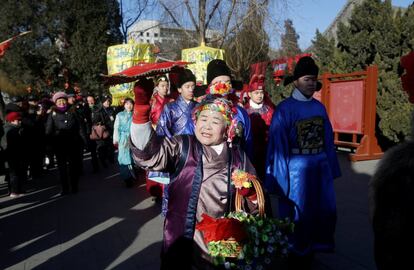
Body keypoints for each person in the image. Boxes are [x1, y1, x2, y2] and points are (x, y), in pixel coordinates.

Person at [129, 78, 259, 269]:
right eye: (202, 119)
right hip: (182, 239)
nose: (206, 126)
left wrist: (252, 195)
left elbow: (255, 205)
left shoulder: (238, 158)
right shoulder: (182, 146)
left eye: (215, 121)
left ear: (227, 130)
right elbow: (149, 154)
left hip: (222, 246)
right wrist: (141, 110)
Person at [264, 56, 341, 270]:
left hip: (319, 166)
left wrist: (331, 166)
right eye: (307, 79)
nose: (310, 83)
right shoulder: (285, 109)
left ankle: (313, 248)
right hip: (296, 170)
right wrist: (279, 180)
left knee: (322, 210)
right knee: (298, 213)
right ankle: (295, 252)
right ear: (296, 80)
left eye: (313, 79)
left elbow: (327, 138)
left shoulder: (319, 108)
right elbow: (278, 147)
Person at [146, 69, 197, 203]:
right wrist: (172, 150)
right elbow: (162, 132)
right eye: (187, 86)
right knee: (177, 192)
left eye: (193, 86)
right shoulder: (170, 108)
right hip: (177, 156)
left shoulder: (199, 107)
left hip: (197, 154)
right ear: (179, 89)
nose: (191, 89)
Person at [205, 59, 253, 159]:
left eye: (227, 82)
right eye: (218, 83)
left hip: (237, 167)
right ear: (210, 86)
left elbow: (248, 145)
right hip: (209, 168)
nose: (223, 86)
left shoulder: (241, 113)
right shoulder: (201, 112)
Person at [45, 92, 87, 195]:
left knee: (74, 166)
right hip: (59, 144)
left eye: (63, 101)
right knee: (62, 168)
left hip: (73, 143)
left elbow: (80, 127)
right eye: (59, 101)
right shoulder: (52, 114)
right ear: (56, 103)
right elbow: (48, 130)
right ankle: (64, 188)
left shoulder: (73, 110)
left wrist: (84, 140)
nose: (61, 103)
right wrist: (48, 144)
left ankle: (74, 186)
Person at [243, 74, 275, 180]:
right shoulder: (244, 112)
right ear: (249, 94)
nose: (259, 95)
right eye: (256, 93)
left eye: (261, 92)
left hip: (268, 152)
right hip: (250, 153)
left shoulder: (271, 111)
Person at [1, 112, 26, 197]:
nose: (20, 121)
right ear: (11, 120)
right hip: (12, 155)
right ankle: (14, 191)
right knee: (14, 174)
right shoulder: (10, 130)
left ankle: (16, 190)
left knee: (15, 173)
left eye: (20, 120)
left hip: (13, 155)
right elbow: (7, 144)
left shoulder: (15, 128)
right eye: (18, 120)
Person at [113, 98, 135, 187]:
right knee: (124, 157)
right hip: (123, 138)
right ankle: (127, 177)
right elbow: (116, 128)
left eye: (131, 104)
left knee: (133, 156)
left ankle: (133, 174)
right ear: (124, 105)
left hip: (134, 138)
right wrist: (116, 140)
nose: (129, 106)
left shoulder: (135, 114)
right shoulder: (120, 115)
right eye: (127, 104)